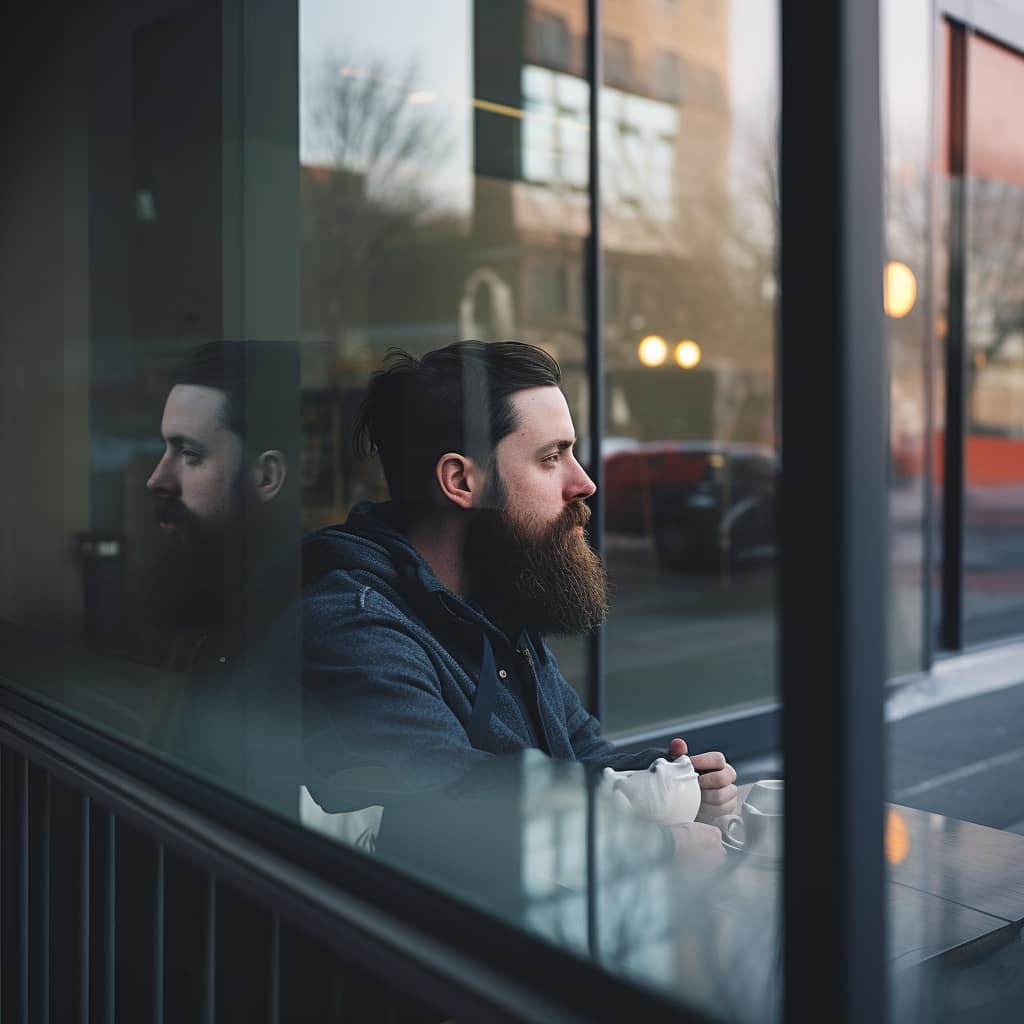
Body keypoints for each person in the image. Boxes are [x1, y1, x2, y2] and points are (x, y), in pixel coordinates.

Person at [300, 341, 737, 849]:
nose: (586, 483)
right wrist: (654, 846)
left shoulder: (493, 597)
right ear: (461, 480)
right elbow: (454, 800)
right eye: (552, 457)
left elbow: (580, 756)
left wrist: (674, 778)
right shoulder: (354, 626)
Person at [144, 339, 302, 812]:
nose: (158, 479)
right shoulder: (212, 608)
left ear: (265, 477)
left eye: (189, 454)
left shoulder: (308, 633)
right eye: (164, 450)